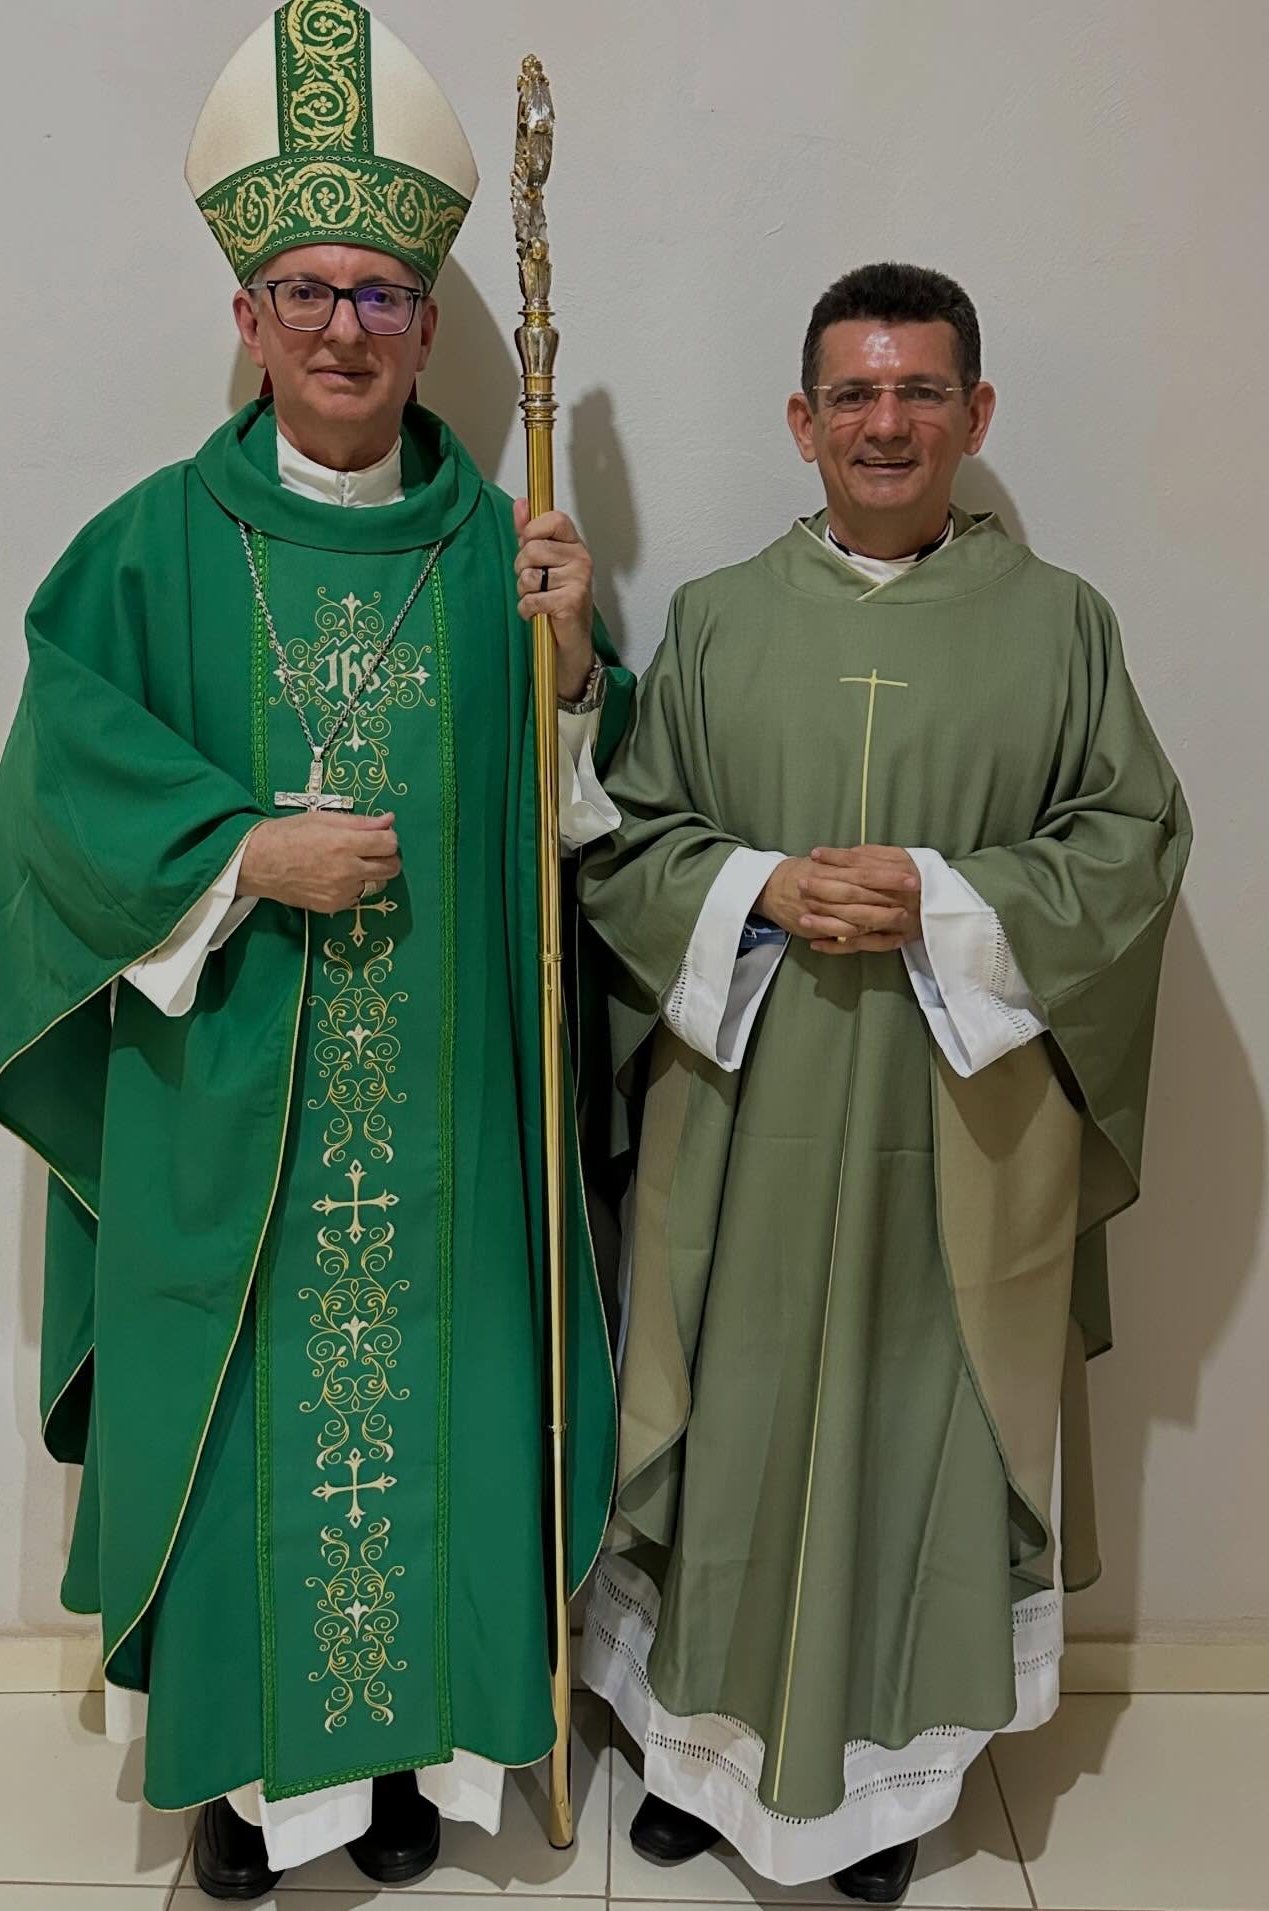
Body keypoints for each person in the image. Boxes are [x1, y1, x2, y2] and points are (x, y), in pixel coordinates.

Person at [0, 3, 632, 1899]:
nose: (346, 327)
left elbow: (576, 835)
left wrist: (572, 666)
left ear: (428, 324)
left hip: (453, 1127)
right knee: (253, 1433)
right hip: (232, 1115)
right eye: (307, 292)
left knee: (442, 1419)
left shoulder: (500, 553)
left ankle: (409, 1763)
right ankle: (254, 1786)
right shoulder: (145, 552)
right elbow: (59, 804)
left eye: (381, 293)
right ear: (248, 318)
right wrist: (245, 853)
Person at [578, 262, 1189, 1902]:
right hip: (748, 1122)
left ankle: (881, 1781)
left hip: (960, 1131)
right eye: (854, 393)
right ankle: (697, 1748)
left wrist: (946, 900)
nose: (887, 423)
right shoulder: (719, 619)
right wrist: (759, 890)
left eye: (921, 391)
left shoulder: (1061, 625)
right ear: (804, 422)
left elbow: (1132, 846)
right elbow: (625, 843)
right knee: (733, 1418)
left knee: (913, 1436)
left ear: (975, 415)